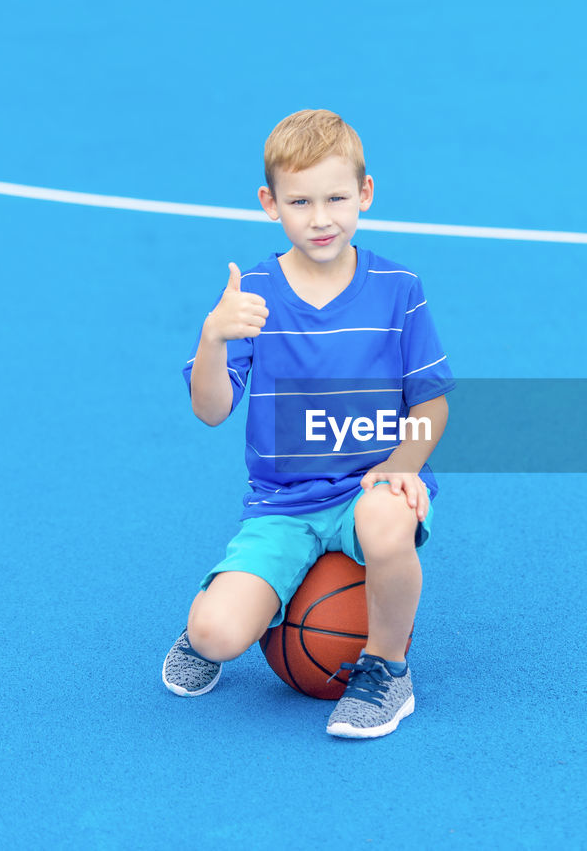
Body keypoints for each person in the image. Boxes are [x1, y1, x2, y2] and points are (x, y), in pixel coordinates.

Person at [160, 109, 454, 738]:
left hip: (368, 484)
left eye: (336, 198)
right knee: (217, 635)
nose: (320, 218)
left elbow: (433, 404)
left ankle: (387, 669)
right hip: (282, 504)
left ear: (365, 194)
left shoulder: (399, 288)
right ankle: (225, 612)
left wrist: (401, 466)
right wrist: (213, 338)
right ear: (270, 204)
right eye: (300, 201)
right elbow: (211, 410)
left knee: (384, 516)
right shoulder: (255, 298)